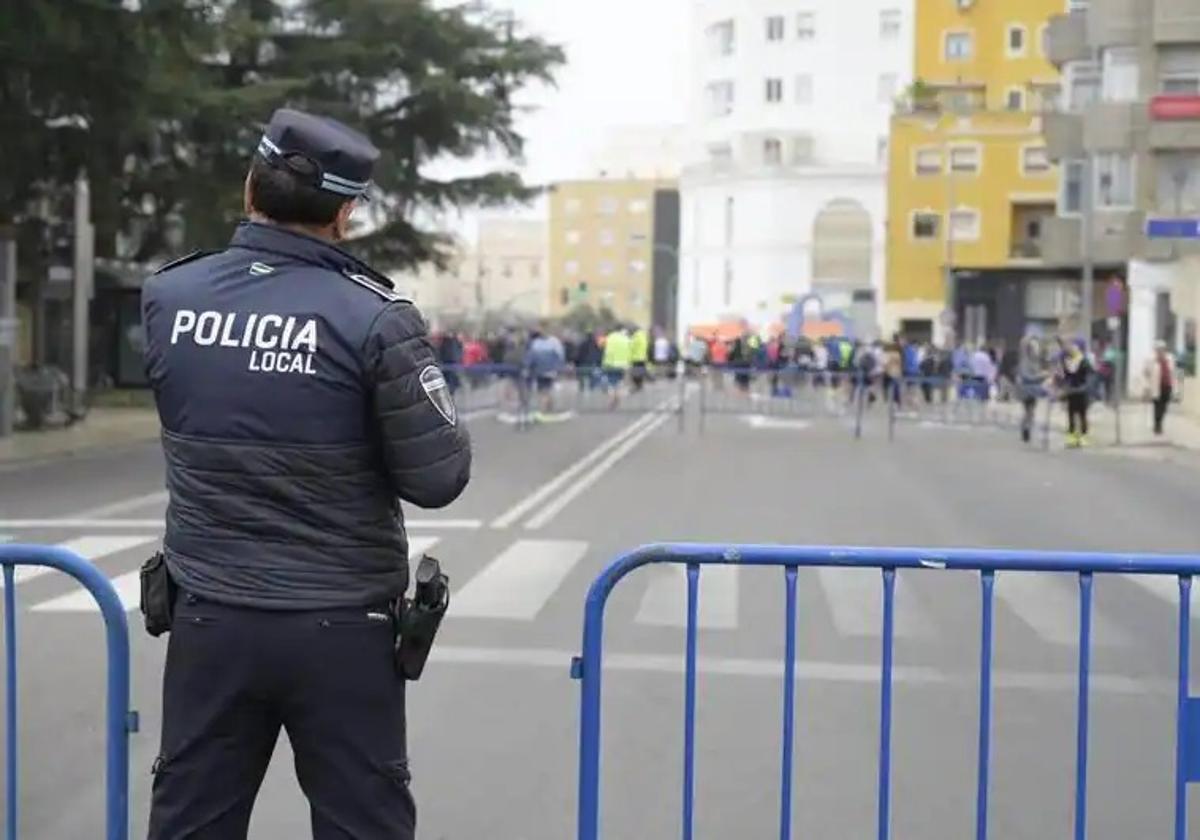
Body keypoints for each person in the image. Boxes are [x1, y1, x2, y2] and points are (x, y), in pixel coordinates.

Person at [139, 108, 472, 840]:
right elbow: (439, 477)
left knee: (191, 822)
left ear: (248, 186)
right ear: (346, 215)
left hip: (209, 615)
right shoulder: (375, 319)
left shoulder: (169, 298)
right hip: (342, 630)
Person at [1058, 339, 1093, 448]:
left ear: (1080, 348)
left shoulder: (1084, 361)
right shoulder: (1068, 360)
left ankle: (1083, 437)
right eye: (1073, 345)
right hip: (1071, 391)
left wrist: (1086, 387)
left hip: (1082, 392)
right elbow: (1067, 375)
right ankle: (1072, 437)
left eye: (1075, 346)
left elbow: (1089, 376)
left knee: (1082, 415)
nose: (1073, 347)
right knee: (1071, 415)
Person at [524, 327, 566, 416]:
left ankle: (544, 409)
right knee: (546, 390)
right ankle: (548, 408)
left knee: (544, 390)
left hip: (544, 370)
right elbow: (560, 355)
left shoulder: (536, 343)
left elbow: (530, 357)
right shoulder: (554, 342)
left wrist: (527, 367)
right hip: (546, 370)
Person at [1016, 337, 1048, 444]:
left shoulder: (1035, 361)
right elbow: (1027, 376)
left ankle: (1027, 428)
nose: (1036, 350)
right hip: (1026, 390)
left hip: (1034, 390)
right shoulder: (1025, 361)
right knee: (1028, 411)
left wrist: (1041, 376)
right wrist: (1041, 376)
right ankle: (1025, 430)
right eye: (1034, 348)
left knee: (1030, 411)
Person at [1145, 340, 1177, 436]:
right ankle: (1157, 426)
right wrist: (1147, 385)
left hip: (1167, 385)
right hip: (1156, 387)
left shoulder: (1170, 358)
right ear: (1155, 350)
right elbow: (1146, 372)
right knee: (1157, 406)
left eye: (1162, 349)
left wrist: (1175, 386)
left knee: (1164, 407)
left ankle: (1159, 423)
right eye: (1158, 349)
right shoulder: (1151, 360)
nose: (1160, 351)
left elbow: (1173, 372)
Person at [602, 325, 632, 407]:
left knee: (611, 382)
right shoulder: (626, 339)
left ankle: (612, 397)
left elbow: (603, 346)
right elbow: (630, 351)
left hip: (610, 363)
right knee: (619, 382)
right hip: (623, 364)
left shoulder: (610, 337)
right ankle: (617, 395)